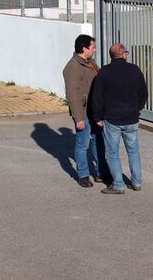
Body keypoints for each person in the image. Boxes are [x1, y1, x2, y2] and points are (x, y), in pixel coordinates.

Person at [91, 44, 148, 194]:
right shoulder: (135, 70)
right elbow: (143, 93)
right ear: (123, 54)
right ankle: (136, 182)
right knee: (133, 151)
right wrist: (137, 108)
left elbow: (97, 98)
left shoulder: (104, 72)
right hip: (131, 118)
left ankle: (118, 184)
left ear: (112, 56)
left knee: (112, 153)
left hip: (112, 119)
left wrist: (97, 116)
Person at [62, 34, 110, 188]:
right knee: (83, 143)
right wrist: (78, 118)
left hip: (94, 110)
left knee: (98, 141)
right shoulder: (73, 67)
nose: (94, 50)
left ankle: (100, 172)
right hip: (83, 112)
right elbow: (73, 94)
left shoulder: (90, 62)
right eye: (93, 47)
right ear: (84, 49)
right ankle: (83, 175)